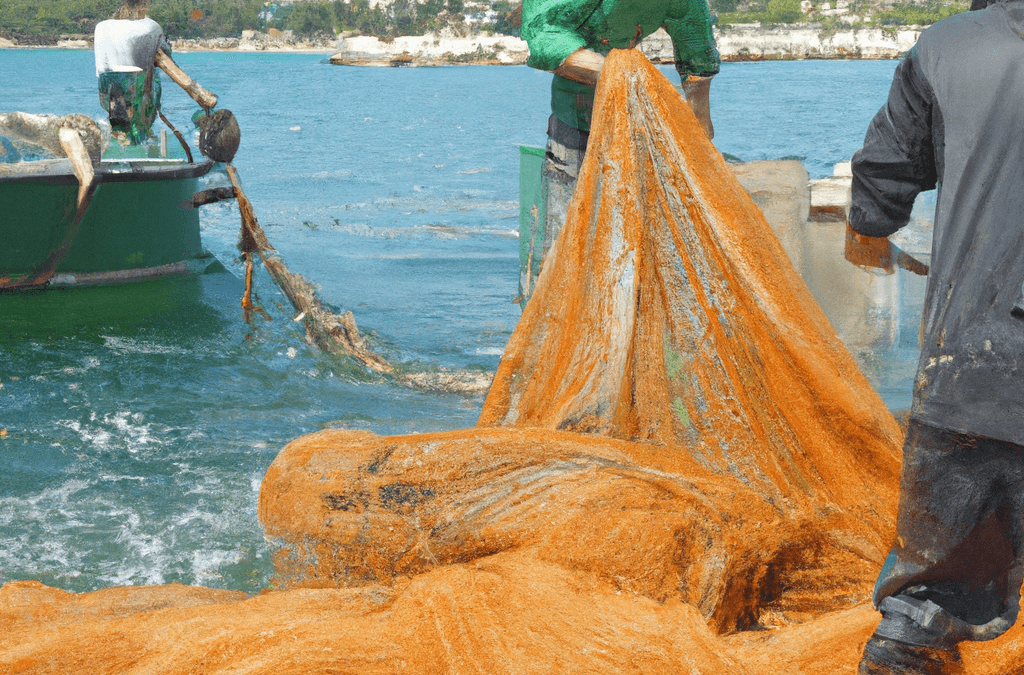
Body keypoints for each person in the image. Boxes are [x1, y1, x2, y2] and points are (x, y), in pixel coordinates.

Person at [844, 1, 1024, 672]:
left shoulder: (946, 47)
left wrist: (865, 225)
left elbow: (882, 180)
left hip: (968, 370)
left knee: (920, 608)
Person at [519, 0, 720, 269]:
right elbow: (546, 39)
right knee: (565, 237)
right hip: (574, 123)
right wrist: (625, 74)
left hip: (631, 124)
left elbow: (695, 43)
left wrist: (699, 130)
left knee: (632, 241)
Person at [93, 0, 171, 145]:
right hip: (135, 87)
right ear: (146, 5)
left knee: (123, 91)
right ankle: (142, 131)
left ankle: (119, 132)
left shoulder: (101, 26)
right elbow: (166, 55)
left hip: (105, 89)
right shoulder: (151, 26)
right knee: (154, 78)